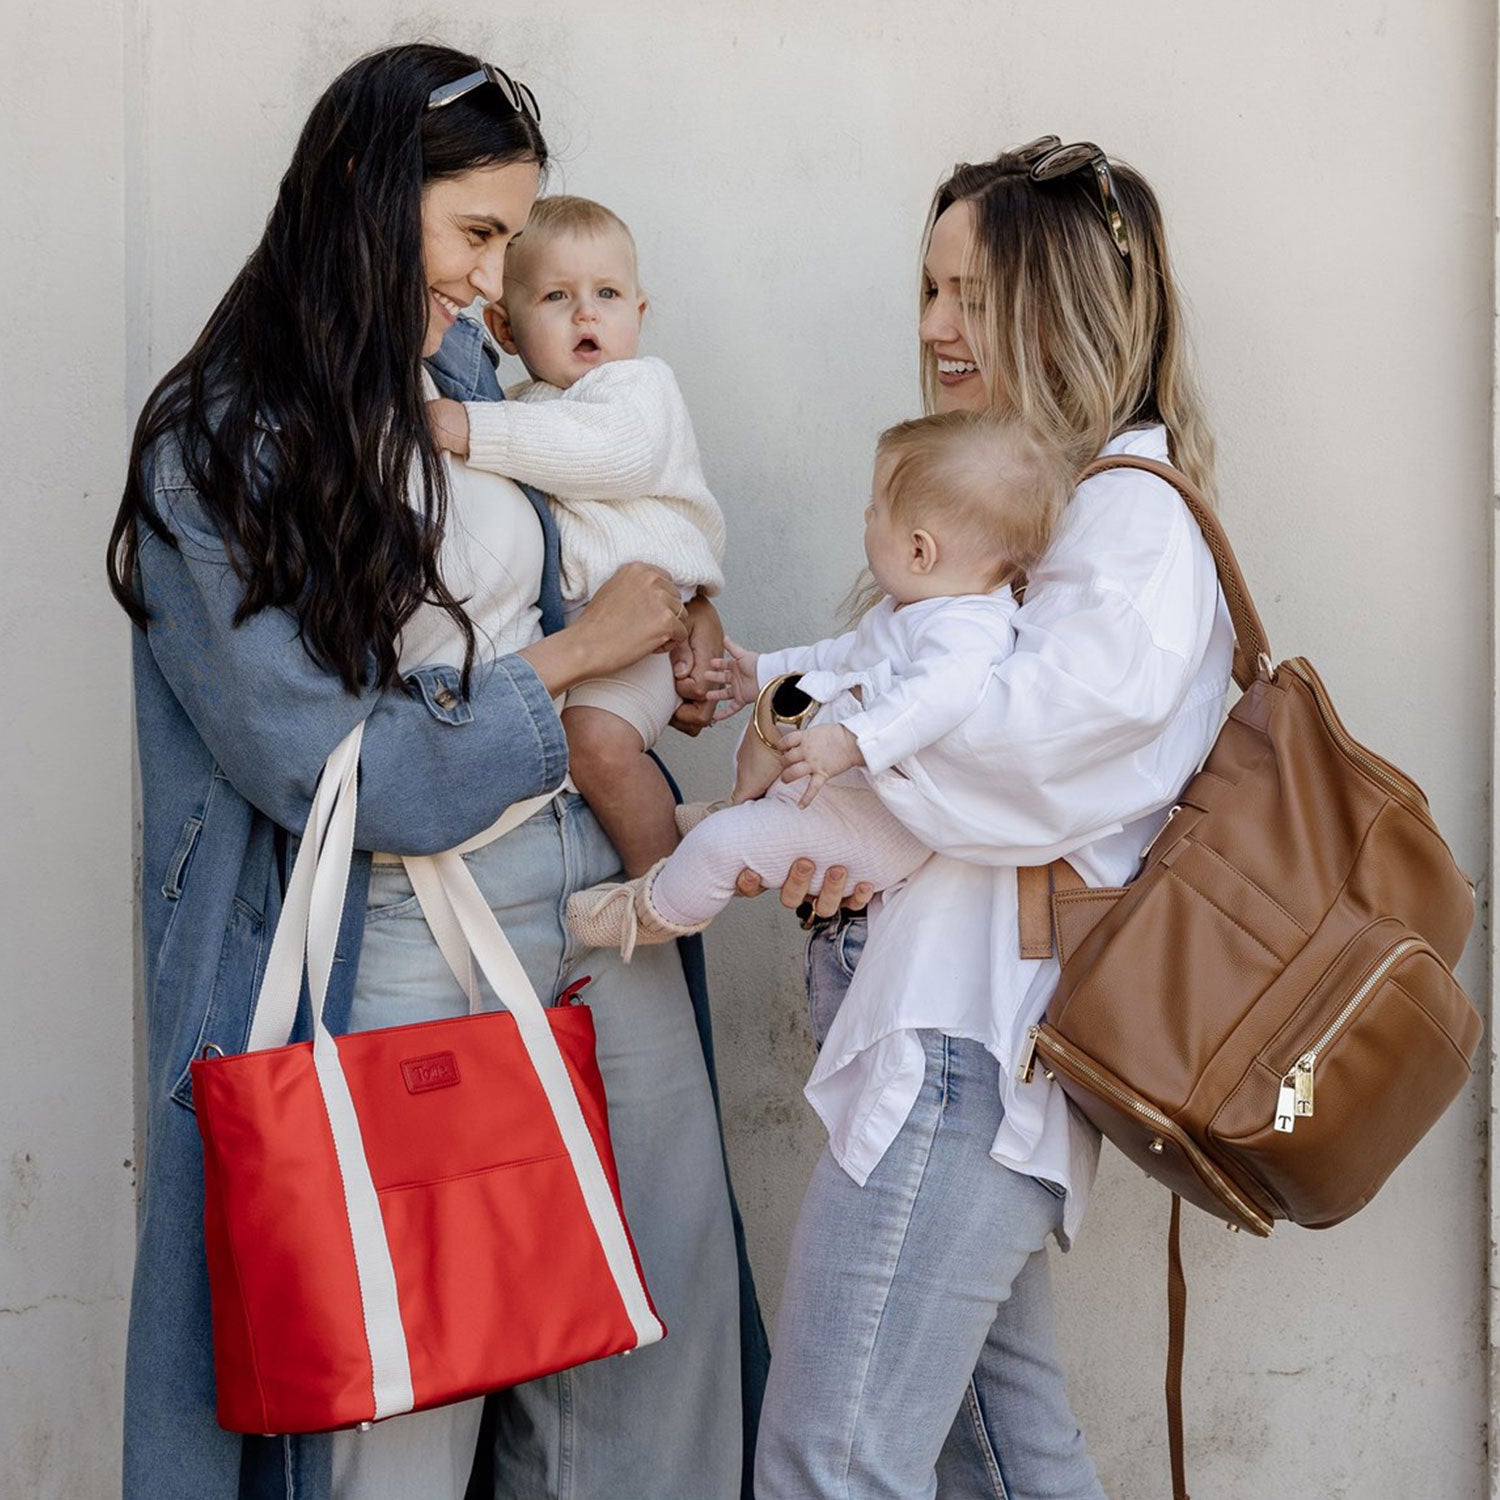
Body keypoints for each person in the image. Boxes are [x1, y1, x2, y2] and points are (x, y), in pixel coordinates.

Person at [107, 44, 759, 1500]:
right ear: (361, 192)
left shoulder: (472, 378)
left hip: (594, 915)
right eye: (473, 235)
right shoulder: (215, 451)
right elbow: (343, 771)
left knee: (649, 1382)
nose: (492, 278)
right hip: (401, 937)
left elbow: (583, 569)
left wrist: (677, 642)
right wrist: (581, 658)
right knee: (397, 1407)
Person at [747, 139, 1236, 1500]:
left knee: (827, 1470)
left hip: (967, 1051)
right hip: (954, 1043)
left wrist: (812, 744)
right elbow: (920, 722)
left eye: (969, 292)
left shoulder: (1131, 534)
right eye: (930, 287)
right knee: (1008, 1466)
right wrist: (814, 719)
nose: (932, 325)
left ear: (1061, 305)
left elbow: (1012, 761)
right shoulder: (1041, 508)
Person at [565, 410, 1071, 956]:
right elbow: (841, 655)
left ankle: (650, 912)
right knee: (786, 706)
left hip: (878, 824)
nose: (865, 514)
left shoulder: (968, 632)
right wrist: (759, 670)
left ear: (920, 551)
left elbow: (938, 698)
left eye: (877, 510)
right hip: (845, 797)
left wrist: (855, 741)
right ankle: (743, 809)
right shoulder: (916, 609)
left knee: (718, 848)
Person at [427, 194, 727, 876]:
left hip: (648, 628)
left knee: (594, 743)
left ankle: (667, 887)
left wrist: (467, 428)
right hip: (590, 635)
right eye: (558, 296)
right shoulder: (526, 409)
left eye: (608, 294)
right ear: (504, 326)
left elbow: (611, 452)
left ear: (639, 315)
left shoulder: (637, 389)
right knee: (571, 744)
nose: (587, 313)